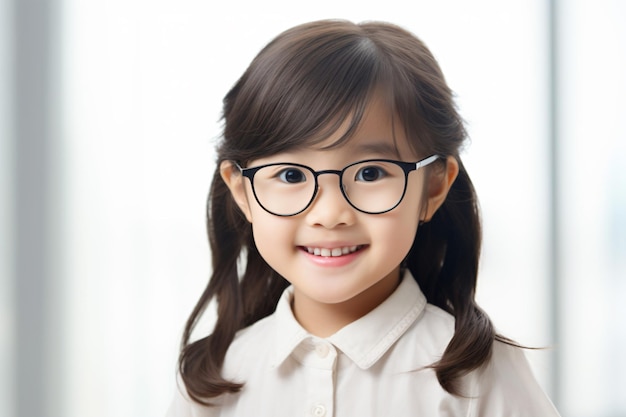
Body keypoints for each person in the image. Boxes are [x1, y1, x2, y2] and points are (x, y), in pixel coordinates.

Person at [167, 19, 560, 416]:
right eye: (291, 175)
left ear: (435, 186)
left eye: (370, 173)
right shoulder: (215, 379)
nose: (330, 213)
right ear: (242, 192)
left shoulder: (477, 373)